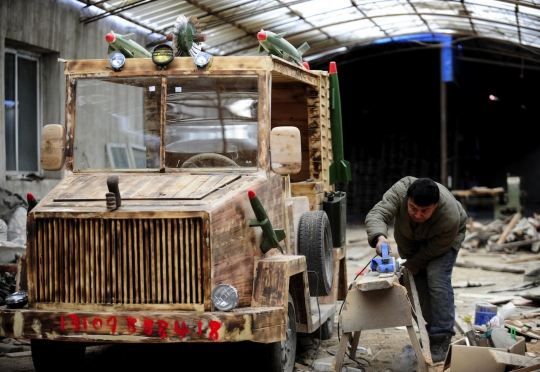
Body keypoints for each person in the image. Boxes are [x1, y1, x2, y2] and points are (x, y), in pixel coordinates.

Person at [365, 176, 468, 363]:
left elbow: (436, 249)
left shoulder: (449, 216)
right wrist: (379, 237)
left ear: (435, 206)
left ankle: (442, 337)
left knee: (437, 277)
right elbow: (377, 213)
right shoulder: (400, 191)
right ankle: (429, 331)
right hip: (410, 238)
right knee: (416, 281)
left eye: (424, 211)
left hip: (444, 241)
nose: (418, 215)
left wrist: (415, 262)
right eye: (413, 208)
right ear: (407, 199)